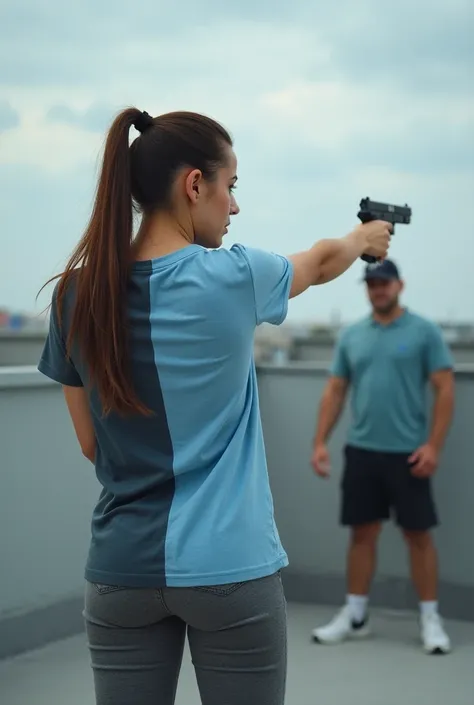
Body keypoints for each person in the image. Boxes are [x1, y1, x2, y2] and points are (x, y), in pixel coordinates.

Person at [37, 106, 391, 705]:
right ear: (193, 184)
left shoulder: (76, 295)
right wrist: (364, 239)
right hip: (230, 569)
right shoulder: (234, 276)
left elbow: (91, 443)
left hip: (121, 569)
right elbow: (322, 261)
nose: (233, 206)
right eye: (229, 187)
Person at [310, 259, 455, 655]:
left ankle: (430, 619)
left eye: (384, 283)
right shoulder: (353, 335)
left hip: (409, 454)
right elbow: (336, 390)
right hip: (362, 453)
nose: (378, 289)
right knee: (361, 534)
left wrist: (434, 447)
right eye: (372, 283)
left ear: (399, 285)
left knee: (418, 536)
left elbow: (445, 388)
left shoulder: (424, 332)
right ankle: (355, 615)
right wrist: (319, 442)